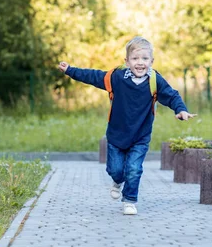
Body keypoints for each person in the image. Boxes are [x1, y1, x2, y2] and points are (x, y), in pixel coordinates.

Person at [58, 36, 196, 215]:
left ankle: (130, 200)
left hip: (140, 136)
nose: (140, 63)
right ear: (127, 61)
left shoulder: (154, 80)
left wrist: (181, 110)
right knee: (115, 170)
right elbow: (93, 76)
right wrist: (70, 70)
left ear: (151, 61)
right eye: (135, 59)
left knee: (134, 168)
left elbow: (172, 95)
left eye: (145, 59)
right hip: (116, 135)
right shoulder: (117, 77)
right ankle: (117, 181)